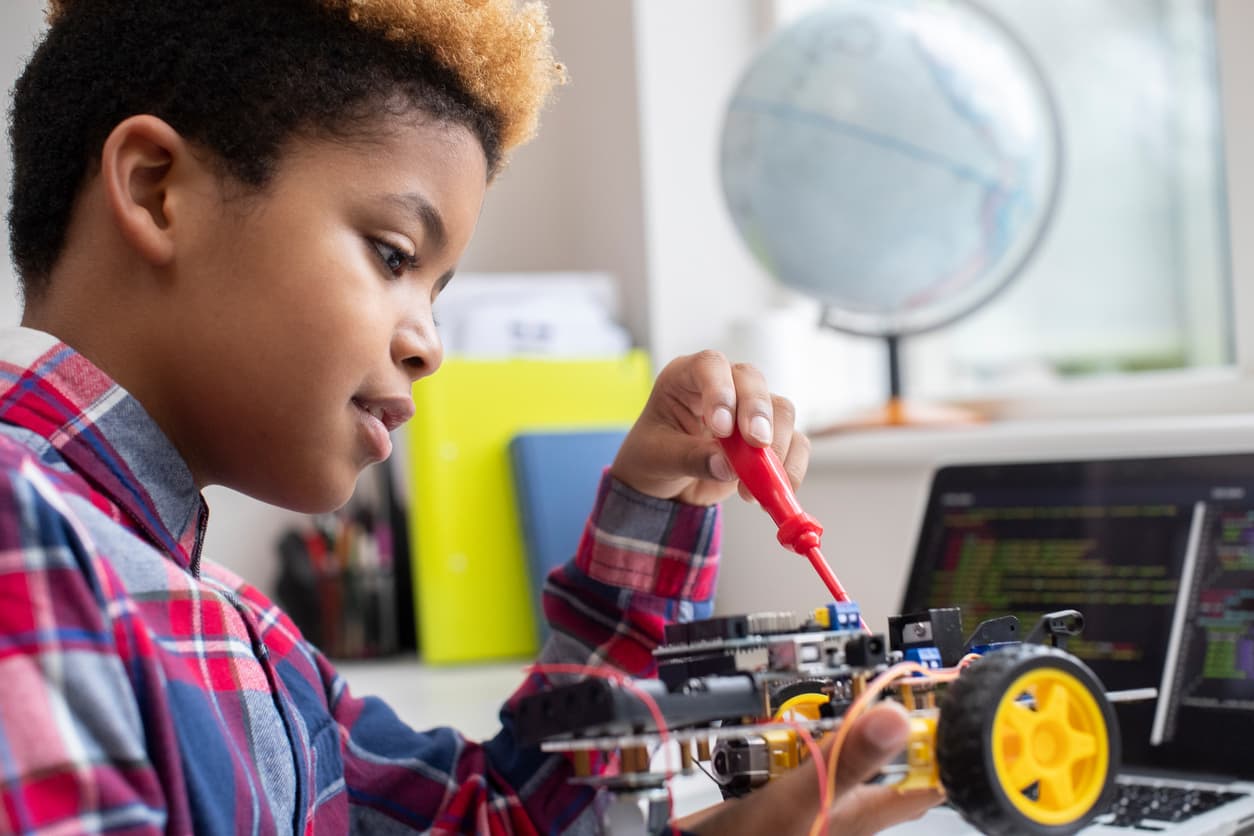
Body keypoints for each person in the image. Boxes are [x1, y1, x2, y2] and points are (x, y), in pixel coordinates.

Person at [0, 1, 941, 833]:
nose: (429, 346)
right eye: (393, 253)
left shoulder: (237, 631)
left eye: (440, 293)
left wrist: (653, 501)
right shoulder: (23, 538)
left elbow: (494, 817)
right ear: (158, 189)